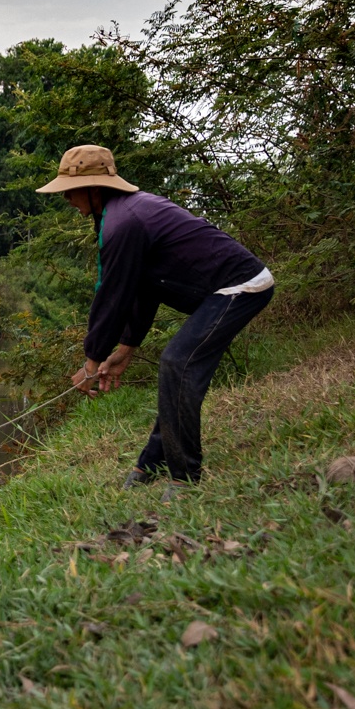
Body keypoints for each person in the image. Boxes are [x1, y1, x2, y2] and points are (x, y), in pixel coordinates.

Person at [36, 144, 274, 487]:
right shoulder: (116, 216)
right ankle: (150, 464)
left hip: (241, 287)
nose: (67, 200)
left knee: (178, 363)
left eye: (70, 192)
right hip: (222, 291)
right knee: (177, 366)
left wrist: (92, 362)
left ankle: (184, 477)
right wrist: (125, 349)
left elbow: (112, 297)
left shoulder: (122, 223)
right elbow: (144, 288)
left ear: (94, 188)